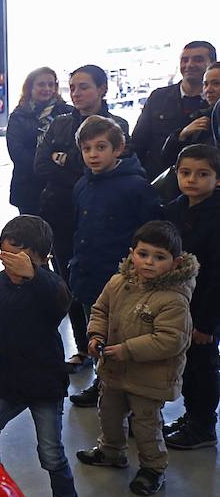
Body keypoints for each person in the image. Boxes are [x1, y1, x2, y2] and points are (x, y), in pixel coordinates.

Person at [0, 216, 86, 497]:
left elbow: (61, 303)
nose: (10, 265)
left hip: (45, 385)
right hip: (8, 382)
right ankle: (2, 490)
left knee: (51, 454)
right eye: (4, 255)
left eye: (18, 258)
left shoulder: (49, 287)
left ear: (39, 257)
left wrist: (34, 276)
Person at [77, 221, 198, 497]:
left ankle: (153, 468)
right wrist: (95, 335)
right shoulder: (118, 282)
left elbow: (171, 339)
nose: (149, 263)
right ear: (132, 253)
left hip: (149, 378)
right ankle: (111, 451)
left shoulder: (173, 299)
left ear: (175, 262)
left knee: (145, 424)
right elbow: (100, 310)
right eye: (143, 254)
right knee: (108, 412)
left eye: (159, 257)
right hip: (114, 370)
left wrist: (127, 349)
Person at [35, 64, 129, 378]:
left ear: (102, 89)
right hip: (62, 215)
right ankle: (82, 346)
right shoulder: (59, 123)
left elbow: (96, 171)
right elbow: (40, 166)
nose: (76, 93)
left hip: (103, 217)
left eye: (84, 87)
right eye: (73, 87)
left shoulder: (117, 124)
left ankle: (108, 356)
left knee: (104, 288)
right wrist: (62, 162)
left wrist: (63, 159)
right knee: (71, 283)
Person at [69, 116, 161, 406]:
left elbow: (151, 233)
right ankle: (103, 384)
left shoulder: (136, 187)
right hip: (89, 273)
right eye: (87, 149)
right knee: (96, 332)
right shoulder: (82, 185)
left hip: (123, 279)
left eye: (101, 147)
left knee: (121, 335)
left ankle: (128, 397)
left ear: (118, 148)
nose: (93, 155)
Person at [163, 144, 220, 449]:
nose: (192, 180)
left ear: (218, 179)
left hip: (205, 306)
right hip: (177, 302)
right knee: (186, 364)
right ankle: (192, 414)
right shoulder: (174, 209)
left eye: (203, 174)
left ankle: (204, 426)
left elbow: (217, 277)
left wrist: (207, 325)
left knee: (202, 365)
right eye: (185, 173)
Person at [129, 41, 215, 181]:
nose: (189, 65)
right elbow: (138, 143)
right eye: (184, 60)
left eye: (198, 59)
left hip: (203, 185)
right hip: (157, 182)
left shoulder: (215, 105)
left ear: (212, 63)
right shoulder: (158, 97)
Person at [7, 67, 72, 215]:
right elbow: (17, 152)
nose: (47, 88)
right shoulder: (18, 116)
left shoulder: (67, 112)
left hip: (61, 185)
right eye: (41, 84)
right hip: (28, 186)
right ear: (30, 87)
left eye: (51, 84)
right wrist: (45, 164)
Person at [159, 61, 220, 171]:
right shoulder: (199, 118)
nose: (209, 90)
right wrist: (182, 135)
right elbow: (167, 159)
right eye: (205, 84)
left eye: (216, 83)